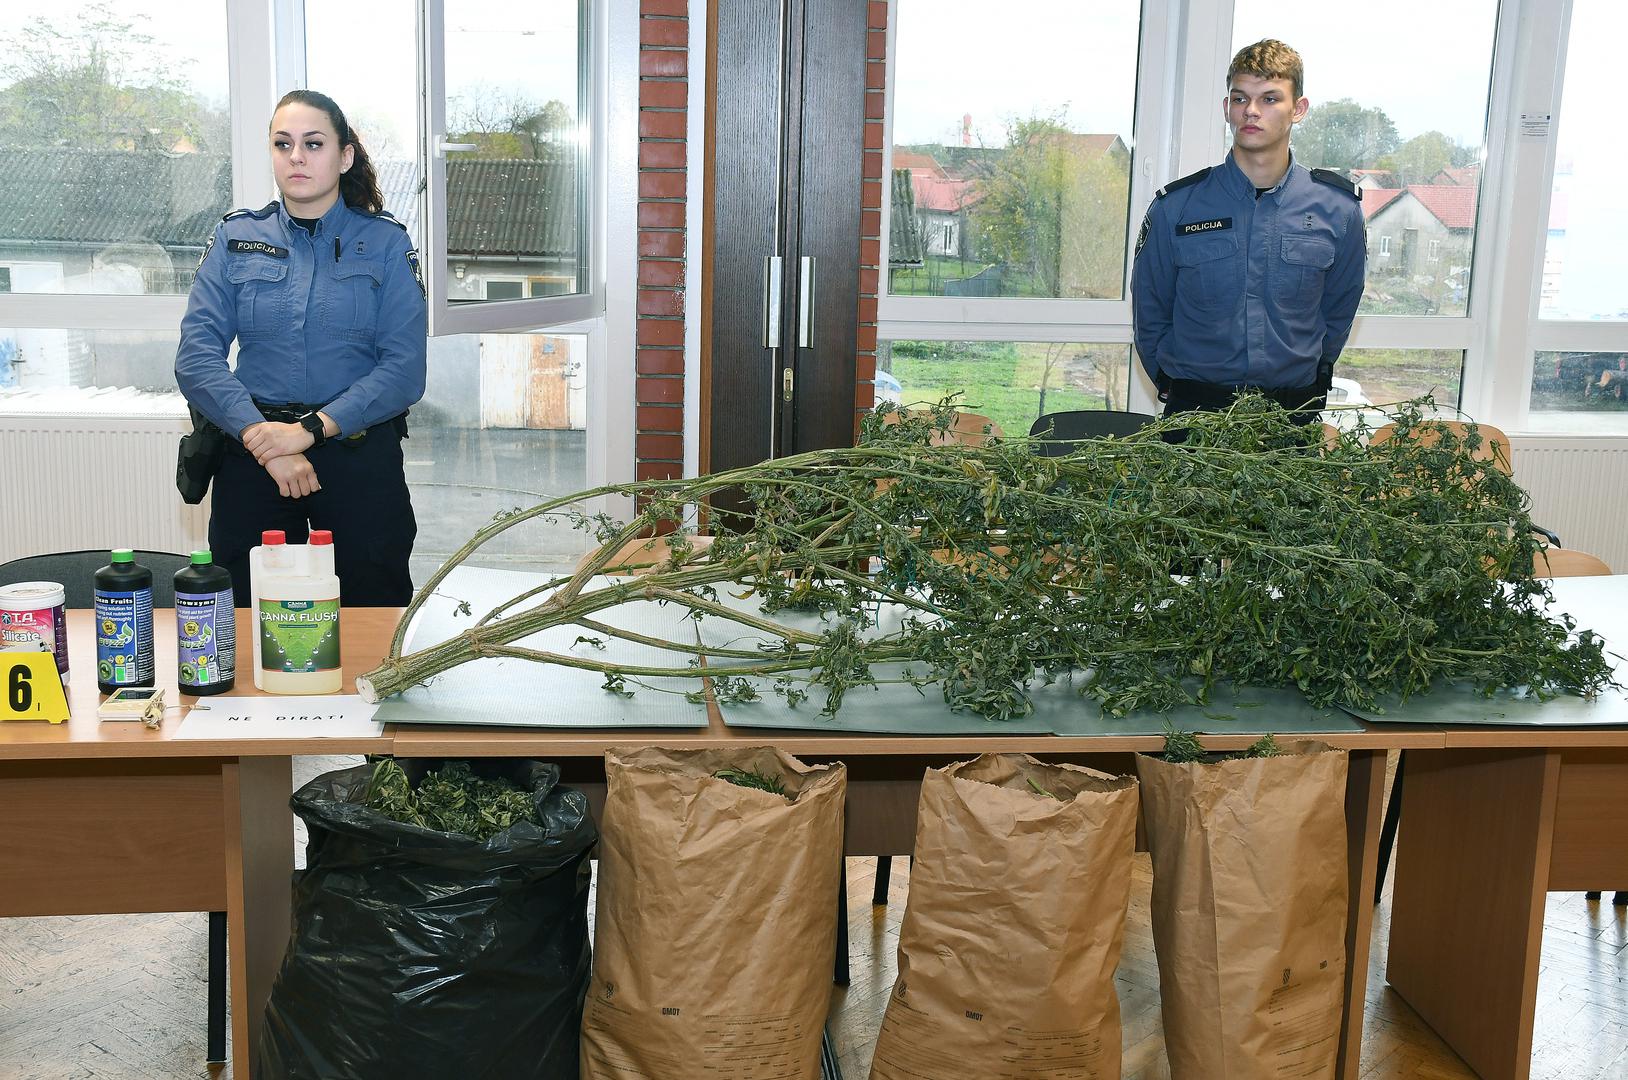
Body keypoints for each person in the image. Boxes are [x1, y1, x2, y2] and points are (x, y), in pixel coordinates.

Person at [175, 90, 427, 606]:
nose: (297, 157)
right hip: (255, 453)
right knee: (245, 615)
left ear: (345, 155)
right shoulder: (236, 237)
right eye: (282, 144)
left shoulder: (385, 243)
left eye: (313, 143)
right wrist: (265, 440)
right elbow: (196, 357)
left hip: (355, 453)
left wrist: (307, 432)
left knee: (373, 608)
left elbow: (403, 370)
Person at [1132, 39, 1366, 426]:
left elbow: (1339, 310)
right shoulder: (1176, 207)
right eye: (1240, 99)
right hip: (1195, 415)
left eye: (1270, 99)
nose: (1251, 111)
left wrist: (1310, 373)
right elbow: (1150, 311)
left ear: (1299, 109)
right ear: (1227, 108)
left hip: (1291, 416)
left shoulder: (1338, 210)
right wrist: (1174, 384)